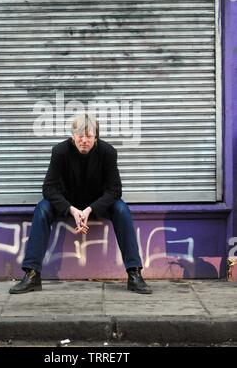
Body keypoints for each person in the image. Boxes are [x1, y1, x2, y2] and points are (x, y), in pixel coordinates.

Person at [9, 113, 152, 295]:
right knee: (42, 208)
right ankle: (32, 274)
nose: (84, 140)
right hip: (68, 203)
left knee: (122, 209)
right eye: (80, 136)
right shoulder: (60, 152)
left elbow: (115, 190)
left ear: (96, 138)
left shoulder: (108, 152)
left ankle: (134, 274)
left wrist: (90, 209)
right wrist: (72, 210)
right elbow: (49, 188)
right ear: (72, 136)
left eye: (89, 136)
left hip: (97, 203)